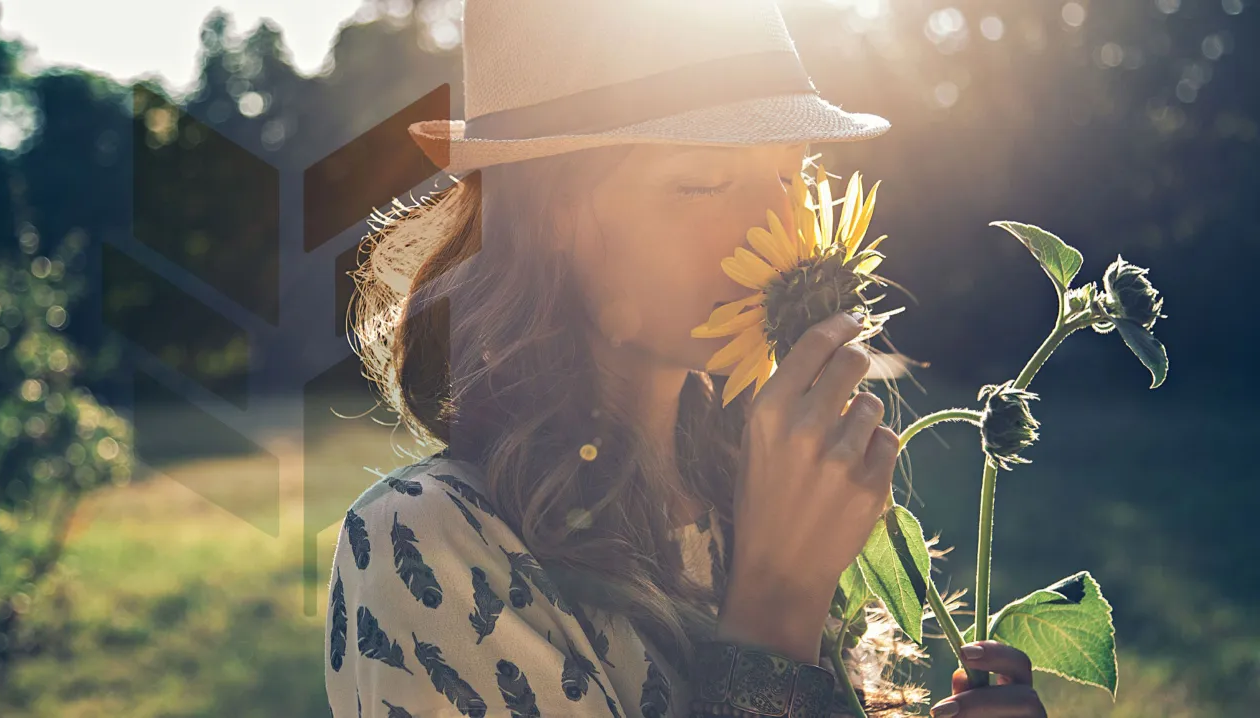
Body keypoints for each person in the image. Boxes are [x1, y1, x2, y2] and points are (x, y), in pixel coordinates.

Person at [325, 1, 1048, 716]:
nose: (782, 228)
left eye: (794, 176)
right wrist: (778, 602)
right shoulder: (425, 545)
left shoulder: (758, 484)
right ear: (551, 217)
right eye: (701, 183)